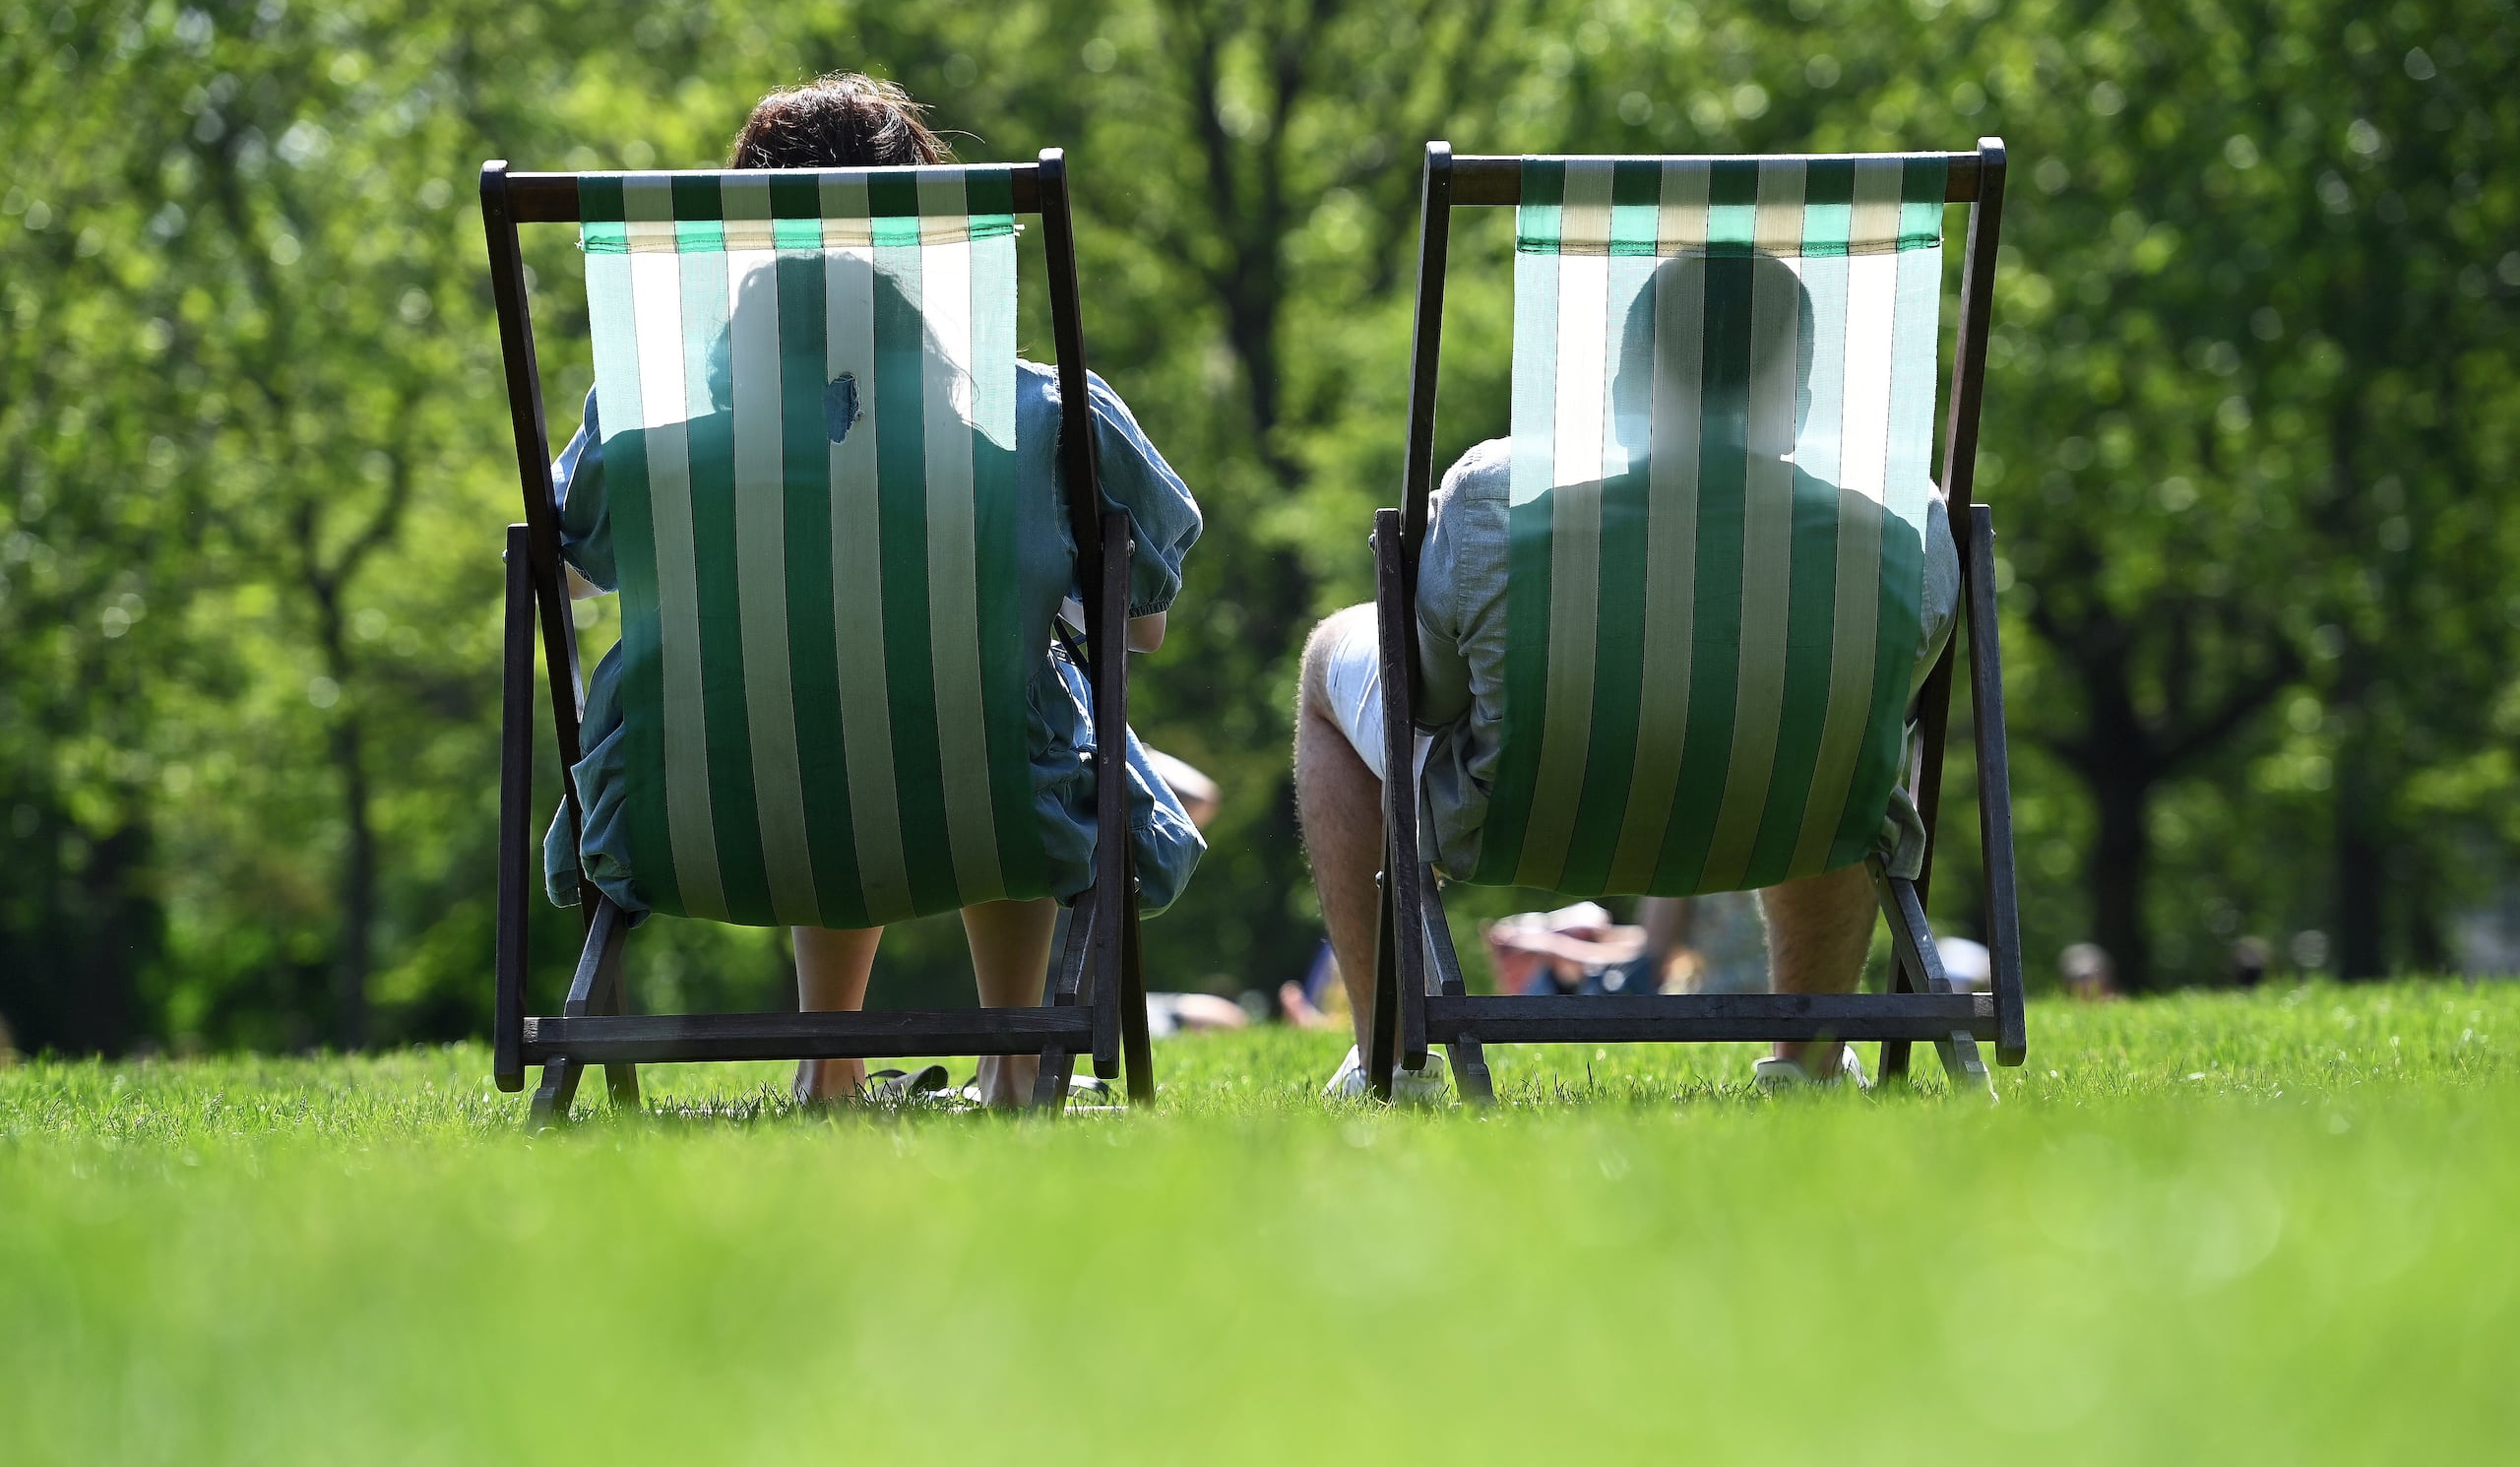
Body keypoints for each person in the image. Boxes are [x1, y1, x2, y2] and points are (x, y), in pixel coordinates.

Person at [542, 74, 1205, 1109]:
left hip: (689, 819)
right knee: (1015, 696)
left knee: (814, 686)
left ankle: (831, 1063)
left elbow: (561, 567)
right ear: (932, 242)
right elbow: (1146, 624)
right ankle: (1017, 1064)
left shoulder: (646, 421)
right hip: (1001, 812)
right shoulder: (1042, 413)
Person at [1293, 249, 1960, 1098]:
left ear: (1623, 389)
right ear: (1799, 400)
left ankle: (1392, 1061)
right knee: (1834, 719)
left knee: (1332, 660)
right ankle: (1810, 1061)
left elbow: (1423, 700)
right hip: (1799, 813)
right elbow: (1900, 695)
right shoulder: (1903, 519)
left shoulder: (1501, 493)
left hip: (1519, 816)